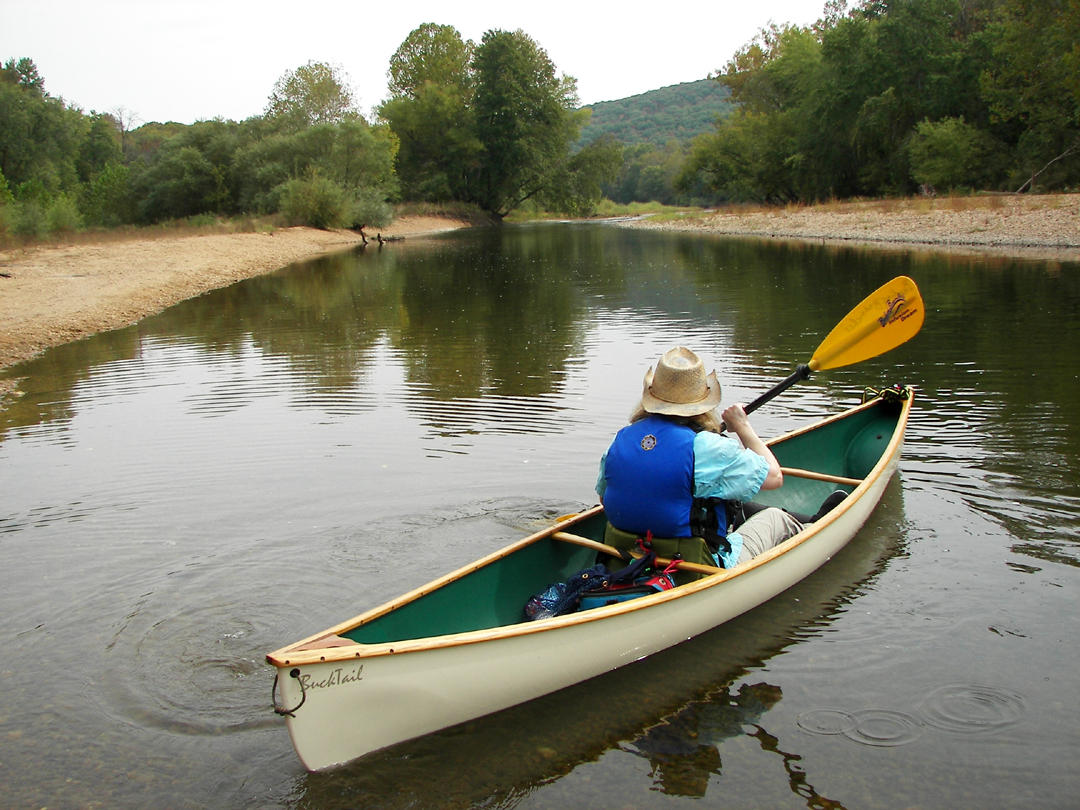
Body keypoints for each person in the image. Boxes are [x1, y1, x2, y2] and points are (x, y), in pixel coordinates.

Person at [596, 346, 827, 574]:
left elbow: (604, 498)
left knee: (720, 501)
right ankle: (815, 527)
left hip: (628, 557)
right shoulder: (707, 446)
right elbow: (774, 477)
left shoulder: (622, 438)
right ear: (702, 403)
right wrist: (742, 426)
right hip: (690, 566)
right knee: (777, 518)